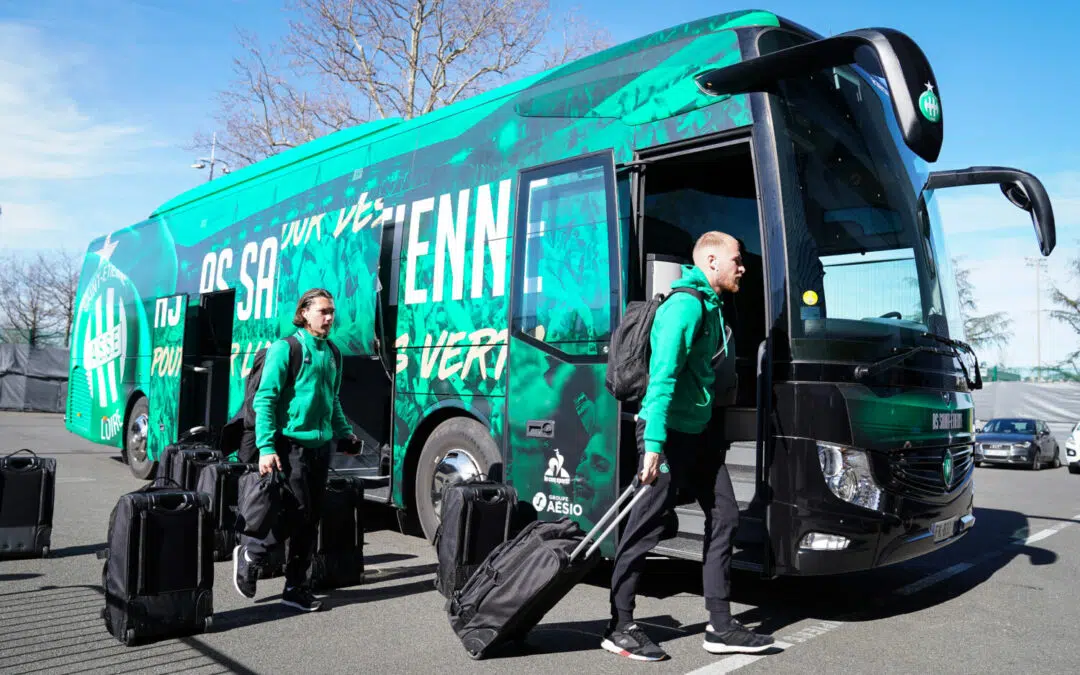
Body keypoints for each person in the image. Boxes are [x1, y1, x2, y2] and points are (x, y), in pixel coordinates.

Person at [602, 232, 775, 661]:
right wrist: (654, 446)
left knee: (726, 516)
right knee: (645, 526)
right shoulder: (685, 306)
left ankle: (719, 625)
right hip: (667, 437)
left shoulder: (714, 308)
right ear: (711, 260)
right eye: (737, 259)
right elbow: (660, 381)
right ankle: (619, 624)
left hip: (699, 435)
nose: (743, 266)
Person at [233, 288, 358, 612]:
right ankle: (252, 553)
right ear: (304, 313)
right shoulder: (285, 349)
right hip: (290, 446)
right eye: (323, 311)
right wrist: (265, 447)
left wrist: (344, 434)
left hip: (320, 447)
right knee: (296, 514)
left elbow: (333, 400)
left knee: (310, 518)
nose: (329, 318)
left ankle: (294, 587)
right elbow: (265, 400)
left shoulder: (332, 353)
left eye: (332, 311)